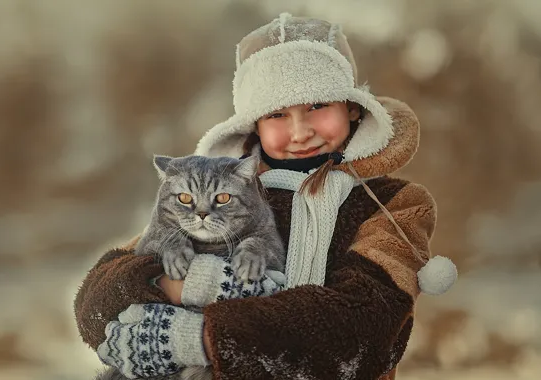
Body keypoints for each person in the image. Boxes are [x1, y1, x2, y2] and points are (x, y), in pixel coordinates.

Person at [74, 13, 457, 380]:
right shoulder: (224, 193)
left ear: (352, 109)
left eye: (318, 106)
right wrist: (168, 282)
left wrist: (200, 332)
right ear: (254, 125)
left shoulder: (395, 204)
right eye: (277, 114)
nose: (300, 131)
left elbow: (358, 328)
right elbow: (98, 299)